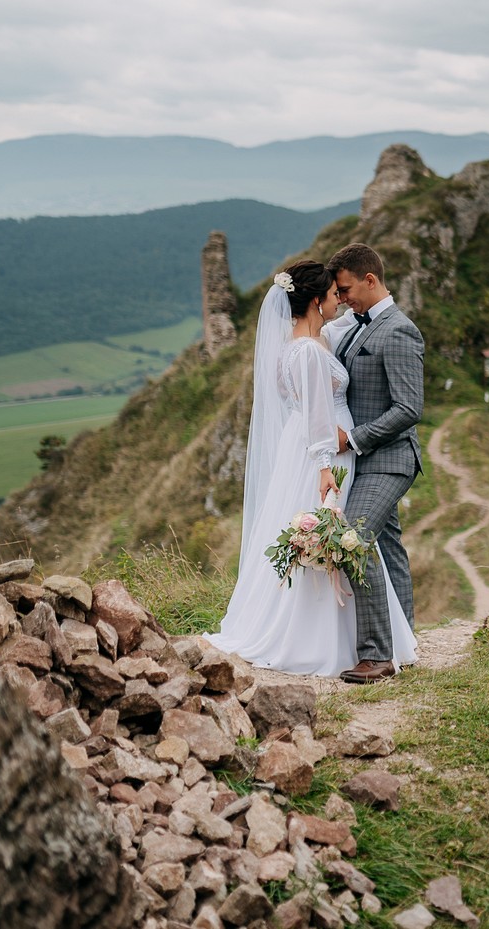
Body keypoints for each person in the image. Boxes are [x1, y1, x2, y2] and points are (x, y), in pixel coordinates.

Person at [206, 260, 416, 676]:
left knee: (371, 541)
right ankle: (332, 642)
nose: (341, 300)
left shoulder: (299, 343)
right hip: (327, 455)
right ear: (317, 301)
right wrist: (326, 467)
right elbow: (319, 414)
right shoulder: (308, 352)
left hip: (309, 450)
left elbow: (339, 336)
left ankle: (386, 638)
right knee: (344, 539)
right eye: (334, 294)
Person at [326, 243, 426, 684]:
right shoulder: (357, 326)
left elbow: (409, 408)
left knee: (355, 536)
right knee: (388, 547)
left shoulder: (399, 330)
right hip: (364, 462)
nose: (342, 297)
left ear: (370, 279)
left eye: (346, 289)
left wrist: (353, 438)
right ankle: (403, 642)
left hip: (389, 458)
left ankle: (377, 655)